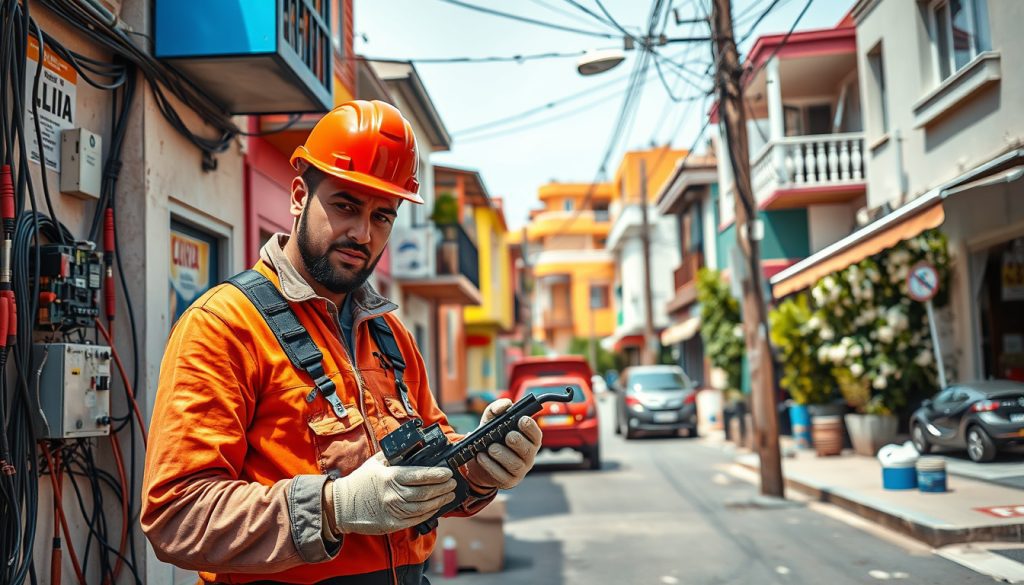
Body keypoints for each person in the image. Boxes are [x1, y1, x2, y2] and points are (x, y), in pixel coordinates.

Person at [141, 100, 543, 585]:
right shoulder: (224, 327)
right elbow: (177, 517)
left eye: (382, 217)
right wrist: (335, 507)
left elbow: (424, 475)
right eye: (346, 205)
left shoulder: (390, 335)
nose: (362, 233)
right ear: (297, 197)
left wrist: (482, 465)